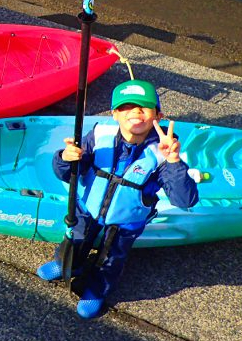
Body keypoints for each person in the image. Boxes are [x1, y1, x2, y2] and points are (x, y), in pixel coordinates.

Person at [36, 79, 199, 318]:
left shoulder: (164, 154)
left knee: (111, 259)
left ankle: (96, 288)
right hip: (87, 210)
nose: (135, 112)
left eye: (144, 107)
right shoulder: (98, 136)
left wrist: (174, 162)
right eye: (126, 107)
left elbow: (185, 200)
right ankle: (67, 265)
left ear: (158, 116)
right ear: (114, 114)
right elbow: (67, 173)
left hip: (125, 221)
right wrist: (65, 158)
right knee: (73, 242)